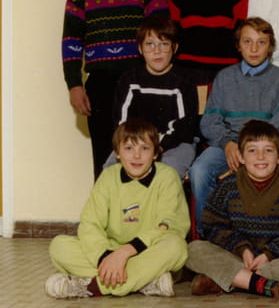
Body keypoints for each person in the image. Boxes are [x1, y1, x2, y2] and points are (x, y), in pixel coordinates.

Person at [62, 0, 167, 179]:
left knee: (143, 157)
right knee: (105, 160)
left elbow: (162, 39)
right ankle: (106, 207)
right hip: (100, 86)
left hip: (142, 82)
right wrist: (74, 85)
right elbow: (71, 41)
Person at [45, 119, 189, 298]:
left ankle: (92, 286)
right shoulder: (108, 177)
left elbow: (166, 226)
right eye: (129, 148)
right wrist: (106, 257)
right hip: (110, 251)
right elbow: (90, 224)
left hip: (147, 250)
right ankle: (144, 281)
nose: (136, 155)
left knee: (176, 247)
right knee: (59, 246)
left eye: (144, 148)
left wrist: (125, 253)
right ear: (117, 153)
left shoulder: (167, 177)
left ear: (155, 154)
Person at [186, 120, 279, 302]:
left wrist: (270, 253)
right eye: (252, 150)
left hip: (277, 261)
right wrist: (242, 249)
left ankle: (232, 280)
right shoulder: (228, 186)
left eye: (268, 150)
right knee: (193, 249)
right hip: (237, 258)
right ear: (241, 157)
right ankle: (268, 286)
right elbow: (213, 226)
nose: (260, 157)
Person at [189, 18, 279, 236]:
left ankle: (264, 236)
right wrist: (227, 143)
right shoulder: (224, 77)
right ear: (238, 45)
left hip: (263, 146)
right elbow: (209, 121)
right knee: (199, 171)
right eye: (247, 42)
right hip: (229, 143)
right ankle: (209, 234)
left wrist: (252, 148)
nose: (254, 49)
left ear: (270, 46)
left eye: (261, 42)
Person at [104, 15, 199, 177]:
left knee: (166, 173)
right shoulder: (130, 79)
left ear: (174, 48)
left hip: (176, 143)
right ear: (140, 49)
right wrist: (140, 147)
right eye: (150, 44)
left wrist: (157, 147)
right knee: (110, 171)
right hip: (136, 141)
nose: (157, 51)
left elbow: (185, 127)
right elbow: (122, 123)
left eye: (164, 44)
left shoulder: (183, 80)